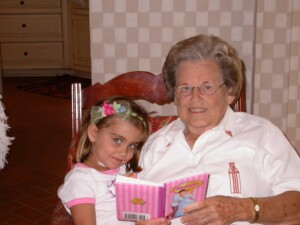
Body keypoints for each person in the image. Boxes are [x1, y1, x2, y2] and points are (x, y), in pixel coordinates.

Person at [138, 34, 300, 225]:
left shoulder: (261, 134)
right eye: (185, 88)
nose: (195, 97)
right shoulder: (154, 145)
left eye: (207, 87)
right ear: (175, 95)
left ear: (230, 92)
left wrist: (243, 209)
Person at [58, 96, 170, 225]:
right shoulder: (81, 180)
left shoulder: (124, 170)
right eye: (117, 140)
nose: (124, 152)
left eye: (132, 145)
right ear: (94, 133)